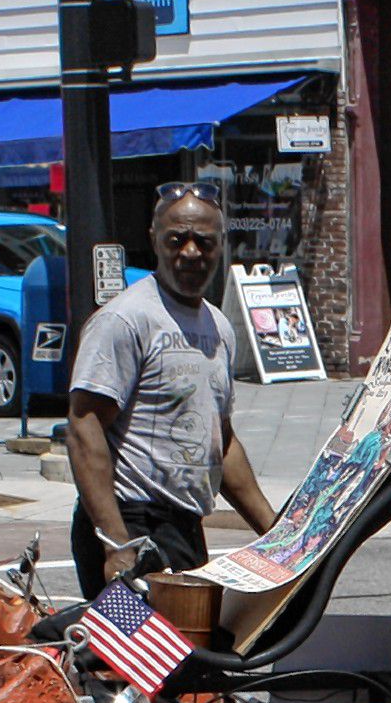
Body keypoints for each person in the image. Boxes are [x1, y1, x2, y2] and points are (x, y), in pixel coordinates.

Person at [64, 188, 283, 594]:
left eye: (204, 241)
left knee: (195, 653)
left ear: (220, 246)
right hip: (132, 523)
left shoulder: (218, 328)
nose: (190, 252)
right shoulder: (126, 320)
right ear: (154, 240)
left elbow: (221, 441)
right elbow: (84, 426)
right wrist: (117, 543)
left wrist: (273, 532)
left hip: (183, 525)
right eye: (177, 239)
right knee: (144, 657)